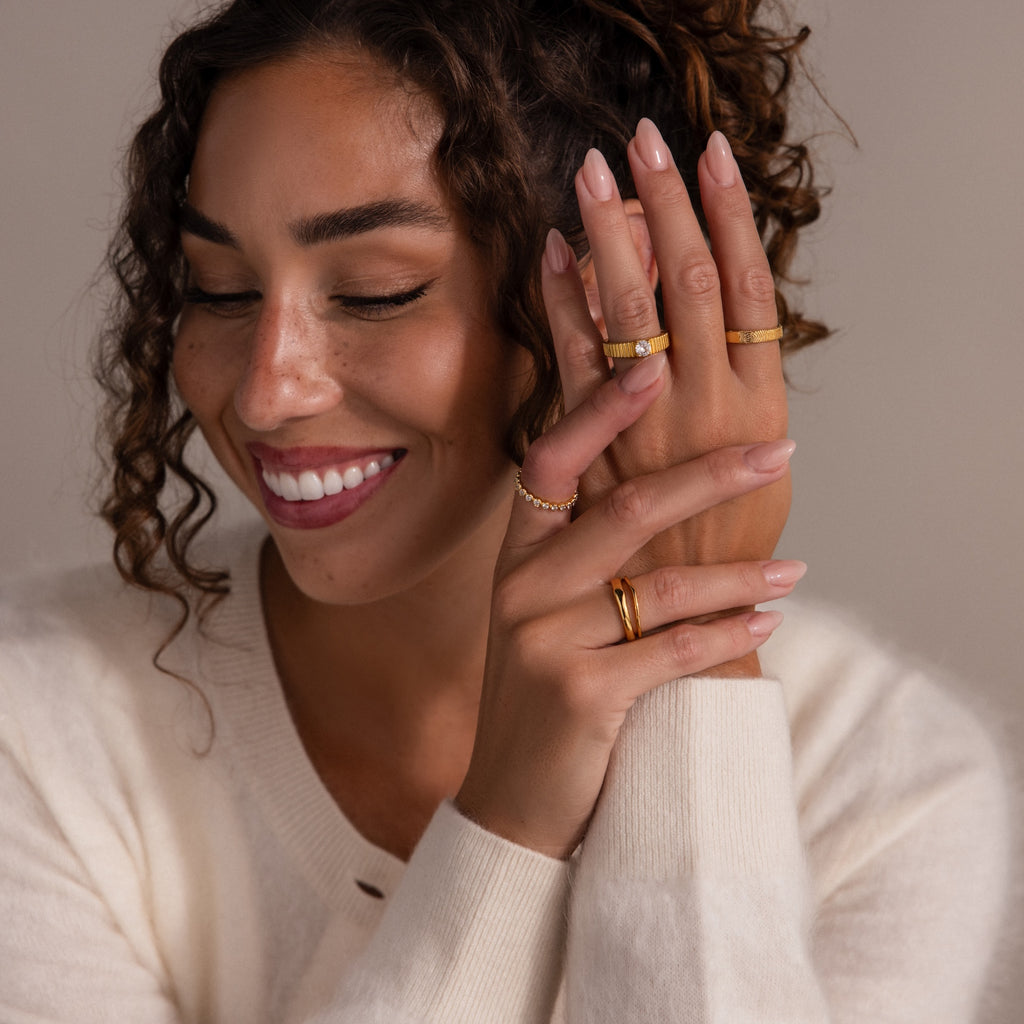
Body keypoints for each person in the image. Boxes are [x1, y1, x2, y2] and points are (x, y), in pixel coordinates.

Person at [0, 0, 1008, 1020]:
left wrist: (693, 692)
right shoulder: (36, 735)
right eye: (219, 288)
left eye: (376, 290)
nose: (266, 392)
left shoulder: (883, 787)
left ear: (622, 302)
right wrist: (507, 822)